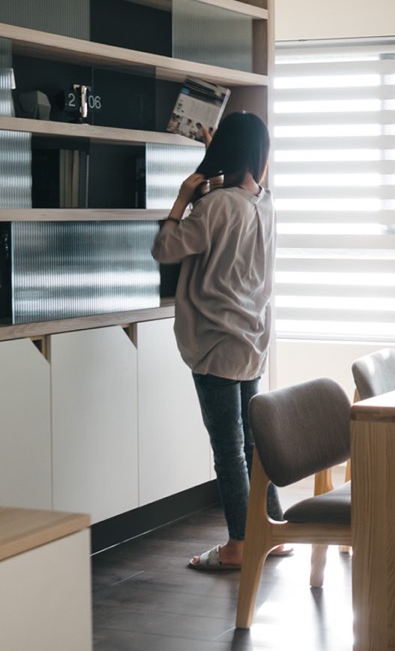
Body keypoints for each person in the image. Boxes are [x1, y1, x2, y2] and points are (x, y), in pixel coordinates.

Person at [151, 111, 285, 571]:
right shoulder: (264, 203)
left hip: (215, 343)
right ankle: (274, 529)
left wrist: (183, 197)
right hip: (251, 339)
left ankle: (240, 545)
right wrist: (218, 150)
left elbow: (165, 248)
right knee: (253, 441)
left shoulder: (213, 206)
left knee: (227, 448)